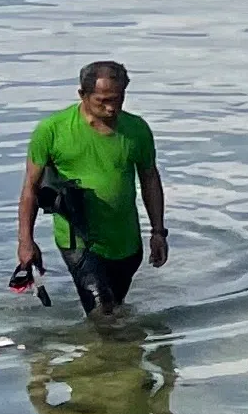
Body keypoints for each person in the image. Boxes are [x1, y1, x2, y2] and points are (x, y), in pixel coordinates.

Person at [15, 60, 168, 319]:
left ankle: (114, 356)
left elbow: (150, 179)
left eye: (117, 99)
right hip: (78, 239)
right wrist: (26, 241)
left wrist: (158, 232)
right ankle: (107, 356)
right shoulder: (51, 131)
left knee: (115, 308)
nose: (111, 107)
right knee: (102, 312)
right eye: (102, 100)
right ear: (82, 95)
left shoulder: (137, 130)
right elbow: (30, 188)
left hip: (126, 242)